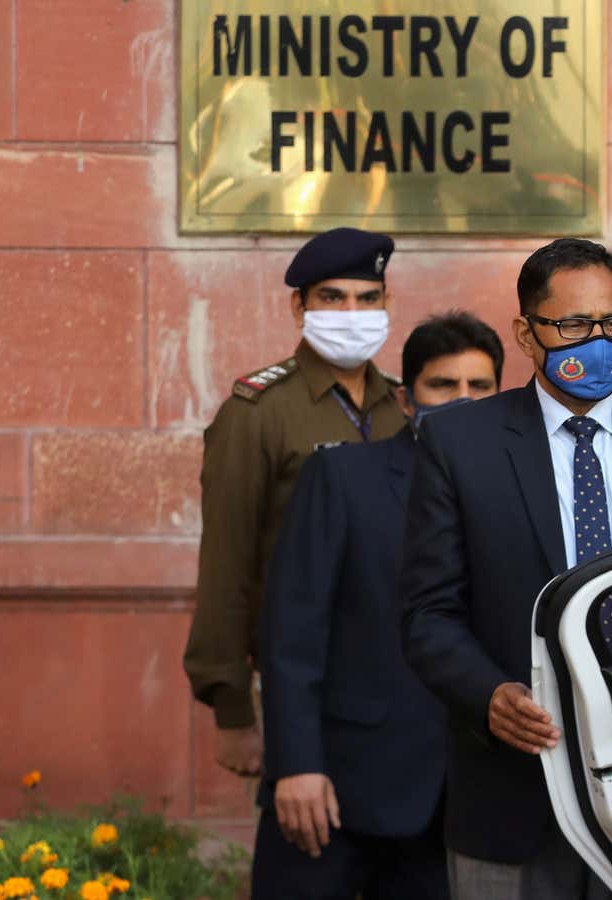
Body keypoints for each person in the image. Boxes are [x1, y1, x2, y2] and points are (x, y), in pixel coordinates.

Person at [400, 238, 612, 897]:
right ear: (526, 335)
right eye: (573, 325)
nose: (598, 342)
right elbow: (428, 610)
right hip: (516, 781)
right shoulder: (460, 443)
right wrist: (488, 694)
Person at [253, 311, 505, 900]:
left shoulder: (520, 489)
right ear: (407, 398)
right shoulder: (341, 476)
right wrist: (295, 765)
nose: (463, 400)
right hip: (338, 786)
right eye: (443, 385)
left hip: (462, 799)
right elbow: (292, 633)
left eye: (480, 387)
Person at [185, 227, 408, 778]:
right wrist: (232, 708)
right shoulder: (258, 412)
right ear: (298, 305)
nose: (352, 313)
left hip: (397, 685)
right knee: (305, 846)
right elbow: (225, 564)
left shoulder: (402, 407)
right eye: (332, 297)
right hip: (295, 683)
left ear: (387, 302)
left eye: (367, 297)